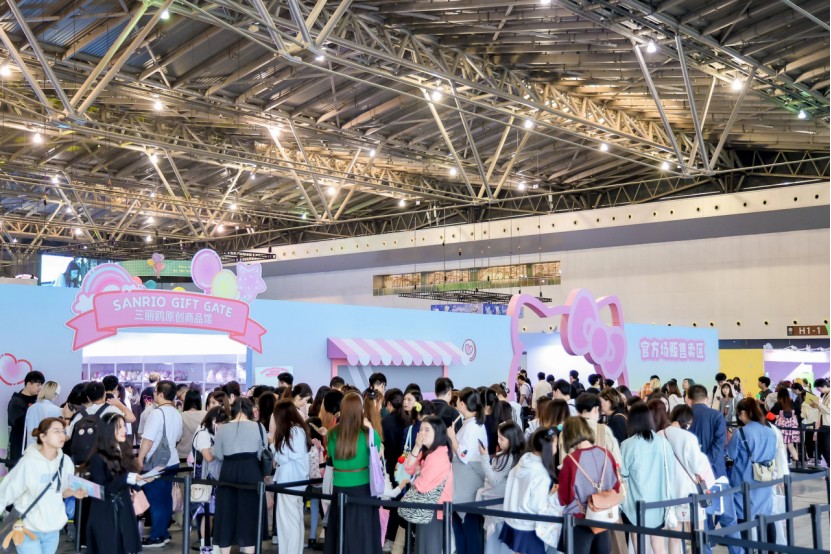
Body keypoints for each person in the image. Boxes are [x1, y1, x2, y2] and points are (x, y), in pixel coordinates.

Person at [0, 417, 82, 554]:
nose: (62, 435)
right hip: (28, 527)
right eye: (56, 431)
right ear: (43, 437)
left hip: (53, 529)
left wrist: (74, 492)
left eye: (63, 431)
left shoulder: (66, 461)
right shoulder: (28, 462)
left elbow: (62, 491)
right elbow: (6, 492)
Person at [324, 392, 382, 554]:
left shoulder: (331, 433)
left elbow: (331, 457)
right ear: (360, 410)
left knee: (340, 529)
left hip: (339, 487)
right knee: (363, 532)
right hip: (363, 488)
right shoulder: (369, 433)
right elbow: (376, 454)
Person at [687, 384, 740, 554]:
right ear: (707, 398)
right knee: (729, 519)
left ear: (688, 399)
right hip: (717, 474)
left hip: (693, 477)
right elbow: (718, 447)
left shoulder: (685, 416)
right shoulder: (717, 416)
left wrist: (698, 468)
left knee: (702, 522)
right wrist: (706, 466)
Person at [86, 412, 148, 554]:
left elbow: (124, 479)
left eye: (124, 426)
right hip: (106, 513)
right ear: (108, 430)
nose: (124, 430)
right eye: (119, 427)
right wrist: (127, 478)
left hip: (123, 510)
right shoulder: (98, 457)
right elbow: (102, 490)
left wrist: (140, 481)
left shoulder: (123, 450)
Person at [212, 398, 267, 554]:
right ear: (250, 410)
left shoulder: (223, 428)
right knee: (249, 513)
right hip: (251, 471)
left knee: (226, 513)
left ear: (233, 410)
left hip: (228, 471)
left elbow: (219, 455)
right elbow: (262, 452)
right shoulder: (259, 427)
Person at [558, 416, 620, 554]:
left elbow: (564, 498)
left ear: (568, 435)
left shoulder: (570, 461)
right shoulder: (606, 454)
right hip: (603, 518)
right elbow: (615, 487)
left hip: (579, 521)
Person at [620, 403, 674, 554]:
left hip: (634, 505)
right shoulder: (663, 443)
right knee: (659, 546)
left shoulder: (627, 445)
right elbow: (670, 470)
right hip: (659, 503)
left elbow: (622, 475)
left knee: (639, 546)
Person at [137, 380, 183, 548]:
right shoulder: (176, 412)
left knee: (155, 499)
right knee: (165, 498)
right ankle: (163, 533)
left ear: (162, 394)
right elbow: (178, 437)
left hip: (156, 462)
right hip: (172, 460)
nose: (154, 395)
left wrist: (140, 458)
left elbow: (148, 439)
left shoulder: (156, 413)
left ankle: (157, 536)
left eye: (156, 392)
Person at [660, 405, 713, 554]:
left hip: (668, 493)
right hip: (689, 492)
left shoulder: (659, 435)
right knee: (697, 535)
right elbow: (698, 467)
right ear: (687, 420)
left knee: (674, 537)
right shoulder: (688, 437)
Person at [500, 427, 559, 554]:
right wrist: (552, 496)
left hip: (513, 519)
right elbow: (537, 506)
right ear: (548, 447)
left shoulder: (524, 460)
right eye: (555, 445)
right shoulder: (541, 473)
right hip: (529, 525)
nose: (557, 448)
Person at [403, 415, 454, 554]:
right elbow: (408, 468)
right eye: (421, 429)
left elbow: (421, 485)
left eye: (427, 430)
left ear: (437, 432)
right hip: (428, 509)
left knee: (428, 549)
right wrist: (417, 446)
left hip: (434, 510)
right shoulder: (429, 451)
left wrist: (419, 472)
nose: (422, 433)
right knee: (423, 548)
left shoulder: (438, 455)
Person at [446, 388, 488, 554]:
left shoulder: (473, 427)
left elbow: (463, 455)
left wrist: (452, 437)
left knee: (469, 531)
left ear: (462, 404)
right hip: (462, 485)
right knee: (462, 532)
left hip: (468, 487)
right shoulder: (470, 423)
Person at [727, 398, 777, 524]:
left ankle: (746, 538)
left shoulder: (741, 432)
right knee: (765, 516)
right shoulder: (770, 431)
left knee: (743, 514)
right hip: (765, 478)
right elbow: (773, 454)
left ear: (744, 413)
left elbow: (731, 454)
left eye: (739, 414)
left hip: (744, 479)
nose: (739, 417)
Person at [478, 421, 525, 554]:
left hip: (499, 507)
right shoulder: (514, 455)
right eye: (498, 437)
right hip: (502, 505)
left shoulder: (508, 457)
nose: (498, 441)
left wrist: (484, 457)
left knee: (496, 544)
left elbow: (494, 480)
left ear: (512, 439)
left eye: (502, 439)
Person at [272, 400, 311, 554]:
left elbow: (282, 457)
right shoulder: (299, 430)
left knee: (289, 523)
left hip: (288, 482)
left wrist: (273, 445)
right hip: (295, 482)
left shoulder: (293, 432)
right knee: (295, 520)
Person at [191, 407, 228, 552]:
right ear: (214, 421)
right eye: (222, 423)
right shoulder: (202, 433)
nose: (223, 426)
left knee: (213, 514)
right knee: (208, 514)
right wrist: (219, 446)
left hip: (215, 478)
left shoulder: (212, 433)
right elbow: (208, 456)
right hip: (206, 479)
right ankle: (206, 546)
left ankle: (213, 545)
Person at [380, 389, 407, 553]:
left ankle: (390, 539)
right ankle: (403, 540)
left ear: (389, 404)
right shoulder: (408, 419)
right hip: (407, 468)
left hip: (391, 467)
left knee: (392, 504)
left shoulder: (385, 421)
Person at [7, 370, 45, 468]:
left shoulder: (39, 401)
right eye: (38, 385)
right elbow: (19, 423)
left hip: (36, 448)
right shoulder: (16, 402)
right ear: (28, 384)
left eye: (41, 385)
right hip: (19, 448)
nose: (40, 388)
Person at [23, 381, 63, 449]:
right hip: (47, 449)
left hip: (31, 448)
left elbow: (26, 432)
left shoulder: (31, 408)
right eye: (57, 395)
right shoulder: (56, 410)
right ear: (54, 394)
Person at [769, 388, 800, 463]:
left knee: (783, 446)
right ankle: (797, 461)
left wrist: (776, 417)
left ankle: (785, 463)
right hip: (792, 428)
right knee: (791, 445)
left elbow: (769, 415)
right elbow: (799, 413)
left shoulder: (778, 404)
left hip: (782, 428)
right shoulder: (792, 403)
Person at [178, 389, 206, 463]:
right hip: (201, 454)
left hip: (183, 455)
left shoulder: (181, 416)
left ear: (186, 401)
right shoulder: (206, 415)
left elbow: (177, 437)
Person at [807, 378, 829, 468]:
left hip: (828, 424)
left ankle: (829, 464)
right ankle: (829, 464)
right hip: (823, 423)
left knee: (826, 447)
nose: (819, 391)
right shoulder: (825, 395)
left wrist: (819, 404)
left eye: (819, 389)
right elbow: (823, 409)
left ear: (824, 386)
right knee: (822, 446)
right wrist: (816, 405)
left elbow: (828, 410)